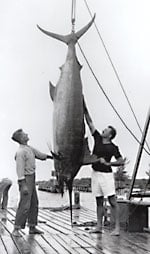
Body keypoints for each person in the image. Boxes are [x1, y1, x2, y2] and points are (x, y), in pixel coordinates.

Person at [84, 100, 125, 236]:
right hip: (95, 173)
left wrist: (109, 164)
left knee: (112, 200)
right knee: (99, 200)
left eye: (106, 130)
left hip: (106, 175)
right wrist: (84, 105)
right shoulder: (97, 138)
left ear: (110, 135)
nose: (103, 130)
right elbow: (90, 122)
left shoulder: (113, 147)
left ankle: (117, 228)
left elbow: (121, 161)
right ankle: (99, 226)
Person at [11, 128, 59, 237]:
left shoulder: (29, 148)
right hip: (25, 179)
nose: (27, 134)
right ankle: (16, 229)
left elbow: (41, 155)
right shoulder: (20, 152)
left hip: (32, 177)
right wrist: (23, 185)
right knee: (25, 204)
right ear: (21, 138)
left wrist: (53, 157)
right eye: (24, 134)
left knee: (34, 203)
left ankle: (32, 226)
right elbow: (19, 170)